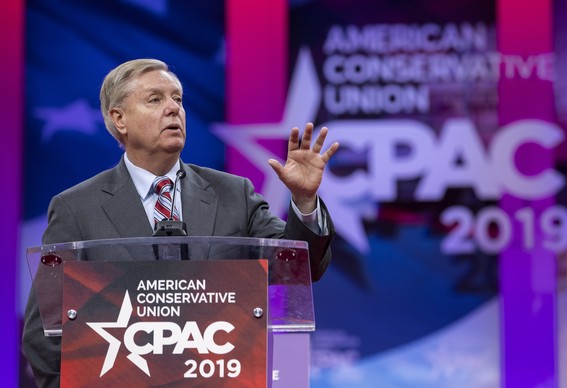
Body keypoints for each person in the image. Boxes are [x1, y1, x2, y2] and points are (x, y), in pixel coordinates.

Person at [22, 58, 339, 387]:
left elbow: (299, 271)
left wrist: (304, 201)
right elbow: (43, 333)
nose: (173, 108)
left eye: (178, 99)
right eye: (155, 99)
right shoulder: (77, 208)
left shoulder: (234, 194)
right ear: (119, 119)